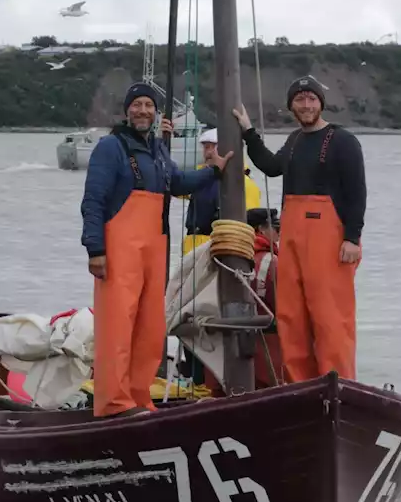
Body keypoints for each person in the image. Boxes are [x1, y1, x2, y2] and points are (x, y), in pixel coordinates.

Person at [81, 82, 233, 418]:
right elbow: (93, 201)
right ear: (127, 110)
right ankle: (113, 404)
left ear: (157, 112)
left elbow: (178, 183)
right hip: (119, 250)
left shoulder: (158, 150)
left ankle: (139, 398)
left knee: (151, 329)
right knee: (117, 328)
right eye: (137, 105)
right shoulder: (110, 147)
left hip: (154, 249)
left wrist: (214, 171)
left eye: (149, 105)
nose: (143, 111)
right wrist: (95, 249)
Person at [232, 75, 366, 382]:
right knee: (291, 315)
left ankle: (339, 382)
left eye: (311, 99)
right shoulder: (294, 141)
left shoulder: (343, 141)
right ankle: (301, 385)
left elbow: (357, 193)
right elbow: (271, 167)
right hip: (292, 239)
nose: (306, 105)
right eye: (300, 100)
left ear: (321, 103)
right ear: (291, 106)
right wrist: (248, 132)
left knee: (330, 316)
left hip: (330, 242)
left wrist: (352, 238)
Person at [182, 127, 265, 253]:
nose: (209, 153)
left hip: (218, 250)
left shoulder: (243, 183)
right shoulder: (202, 178)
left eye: (213, 147)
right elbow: (176, 186)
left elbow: (248, 225)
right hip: (192, 250)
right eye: (206, 147)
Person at [246, 207, 279, 319]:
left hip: (242, 327)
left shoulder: (236, 255)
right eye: (276, 229)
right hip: (269, 330)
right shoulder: (272, 261)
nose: (279, 233)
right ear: (261, 229)